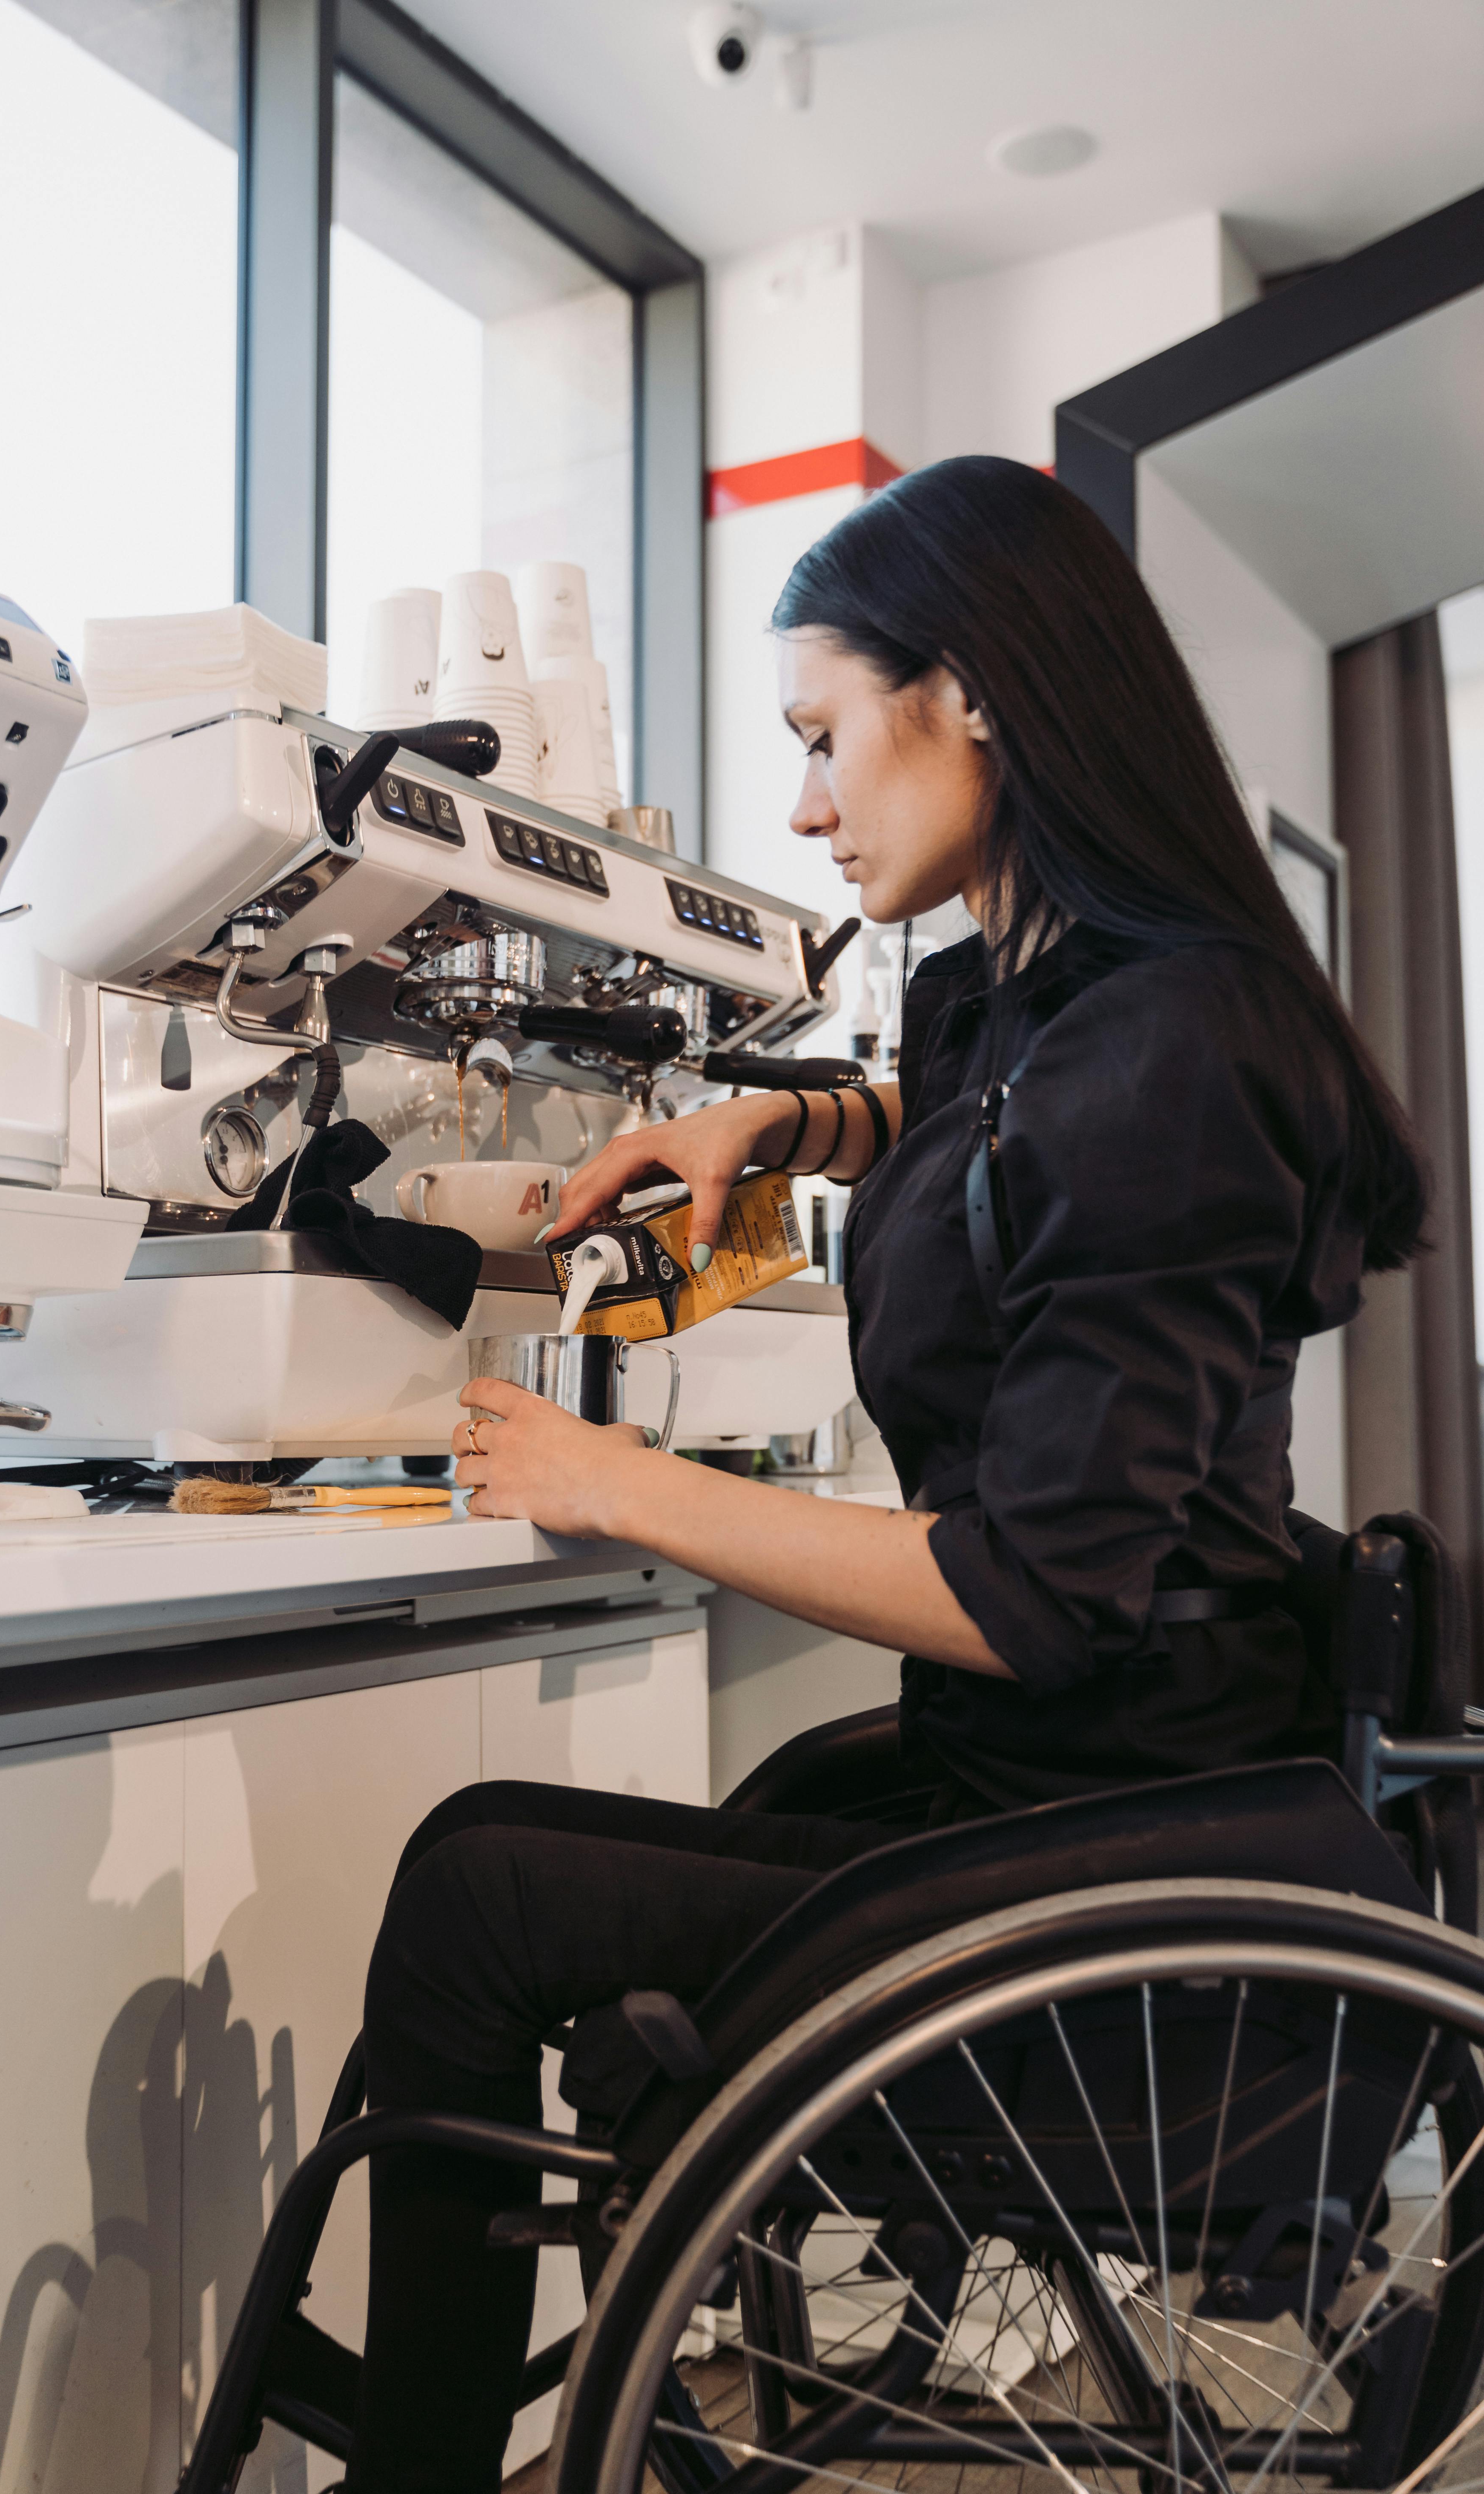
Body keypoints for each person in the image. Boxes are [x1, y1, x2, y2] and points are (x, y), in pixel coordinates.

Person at [343, 456, 1424, 2493]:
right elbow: (997, 1115)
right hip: (1055, 1781)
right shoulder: (1040, 998)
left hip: (1114, 1839)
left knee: (476, 1890)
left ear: (977, 694)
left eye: (823, 737)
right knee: (487, 1859)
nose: (809, 804)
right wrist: (784, 1131)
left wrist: (610, 1479)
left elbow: (1032, 1589)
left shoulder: (1171, 1045)